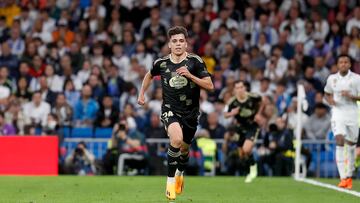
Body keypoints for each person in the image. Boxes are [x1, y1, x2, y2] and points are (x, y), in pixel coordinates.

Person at [137, 26, 214, 201]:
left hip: (191, 113)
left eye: (181, 41)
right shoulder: (161, 63)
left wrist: (191, 76)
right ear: (169, 45)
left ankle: (180, 172)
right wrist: (142, 93)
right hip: (170, 110)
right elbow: (149, 76)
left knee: (184, 150)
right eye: (174, 41)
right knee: (176, 140)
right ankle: (170, 182)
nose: (178, 44)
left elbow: (210, 85)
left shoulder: (195, 61)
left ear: (186, 44)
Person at [324, 54, 360, 189]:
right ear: (338, 65)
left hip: (352, 113)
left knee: (351, 146)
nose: (343, 64)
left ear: (350, 65)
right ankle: (342, 177)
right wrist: (330, 101)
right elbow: (327, 93)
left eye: (346, 62)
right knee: (339, 139)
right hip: (338, 113)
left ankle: (349, 176)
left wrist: (352, 96)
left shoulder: (357, 79)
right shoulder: (332, 79)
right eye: (341, 62)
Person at [223, 80, 263, 183]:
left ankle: (253, 168)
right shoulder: (232, 102)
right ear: (235, 90)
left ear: (244, 88)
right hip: (240, 128)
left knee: (246, 149)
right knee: (241, 154)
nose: (240, 90)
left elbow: (262, 101)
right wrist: (232, 113)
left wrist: (258, 114)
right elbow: (225, 114)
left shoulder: (252, 97)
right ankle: (248, 172)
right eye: (237, 88)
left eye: (241, 87)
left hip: (252, 126)